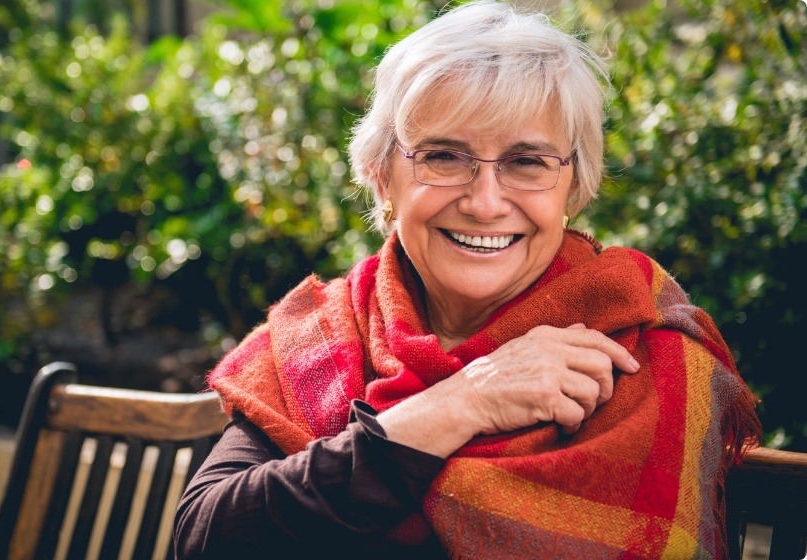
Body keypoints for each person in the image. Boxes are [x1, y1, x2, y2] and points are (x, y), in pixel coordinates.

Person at [174, 1, 760, 558]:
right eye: (444, 157)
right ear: (382, 177)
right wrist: (460, 403)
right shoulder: (322, 334)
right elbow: (205, 537)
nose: (484, 203)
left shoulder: (638, 340)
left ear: (573, 187)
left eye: (527, 162)